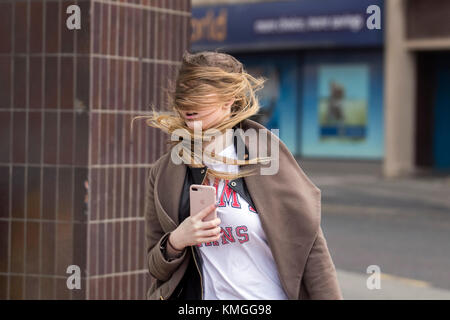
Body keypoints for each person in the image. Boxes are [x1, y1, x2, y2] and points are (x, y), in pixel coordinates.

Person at [136, 51, 343, 300]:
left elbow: (311, 248)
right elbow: (156, 266)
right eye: (184, 93)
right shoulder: (165, 172)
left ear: (229, 100)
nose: (188, 103)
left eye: (199, 93)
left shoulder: (268, 158)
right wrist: (176, 241)